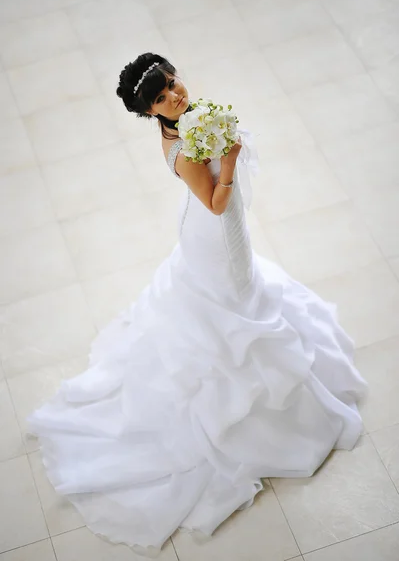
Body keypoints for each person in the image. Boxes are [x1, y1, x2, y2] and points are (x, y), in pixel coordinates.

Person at [29, 52, 367, 555]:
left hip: (212, 232)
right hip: (215, 232)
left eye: (172, 83)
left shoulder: (189, 118)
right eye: (161, 98)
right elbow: (215, 202)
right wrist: (227, 162)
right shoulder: (182, 151)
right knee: (236, 304)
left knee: (248, 290)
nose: (175, 96)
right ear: (150, 112)